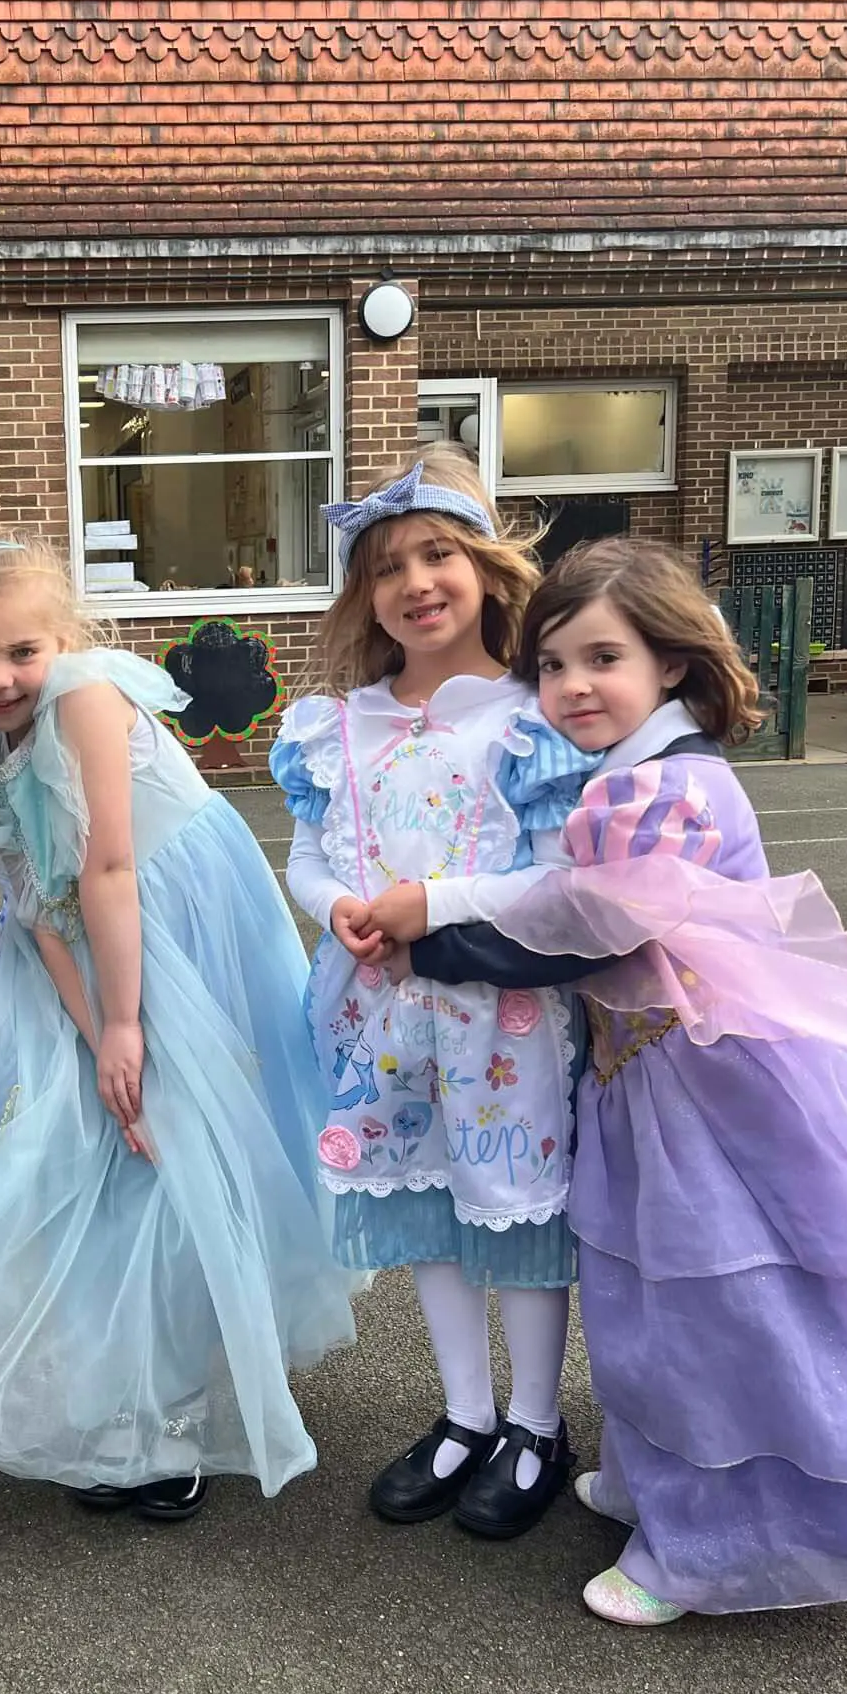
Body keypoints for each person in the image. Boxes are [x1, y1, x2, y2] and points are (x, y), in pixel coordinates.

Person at [365, 537, 847, 1624]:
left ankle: (703, 1548)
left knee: (711, 1310)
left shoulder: (669, 786)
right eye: (549, 663)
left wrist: (428, 926)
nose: (570, 685)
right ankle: (653, 1486)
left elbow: (576, 929)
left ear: (671, 662)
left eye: (602, 657)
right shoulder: (634, 774)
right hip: (656, 1082)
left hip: (711, 1098)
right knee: (641, 1296)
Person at [0, 529, 355, 1523]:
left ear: (63, 637)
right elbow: (41, 904)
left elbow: (106, 866)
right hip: (96, 944)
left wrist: (128, 1024)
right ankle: (136, 1396)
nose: (0, 675)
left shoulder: (87, 696)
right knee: (114, 1146)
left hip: (175, 926)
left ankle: (171, 1411)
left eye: (23, 650)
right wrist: (92, 1026)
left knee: (173, 1145)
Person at [269, 447, 579, 1541]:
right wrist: (336, 905)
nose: (415, 580)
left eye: (437, 551)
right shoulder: (331, 724)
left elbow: (554, 873)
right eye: (387, 564)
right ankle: (465, 1410)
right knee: (430, 1205)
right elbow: (310, 851)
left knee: (515, 1202)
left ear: (488, 565)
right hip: (384, 1012)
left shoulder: (534, 715)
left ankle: (536, 1423)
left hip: (504, 1018)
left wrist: (429, 900)